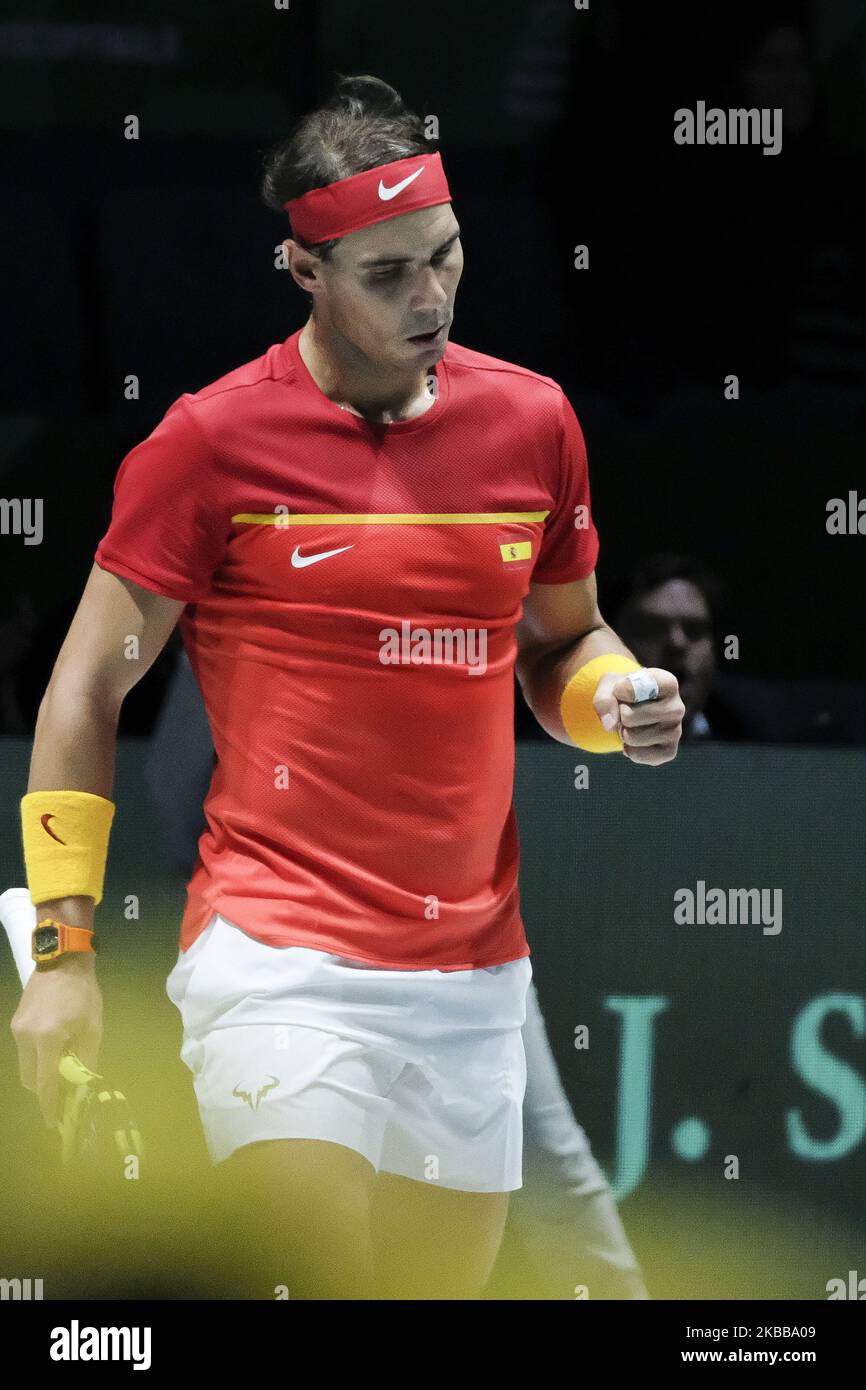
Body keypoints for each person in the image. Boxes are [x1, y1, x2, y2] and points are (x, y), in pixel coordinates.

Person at [12, 74, 684, 1300]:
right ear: (302, 269)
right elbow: (82, 694)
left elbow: (559, 650)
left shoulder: (533, 423)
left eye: (445, 256)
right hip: (278, 960)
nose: (428, 296)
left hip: (473, 980)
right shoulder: (208, 444)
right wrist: (61, 956)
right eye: (387, 273)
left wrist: (617, 697)